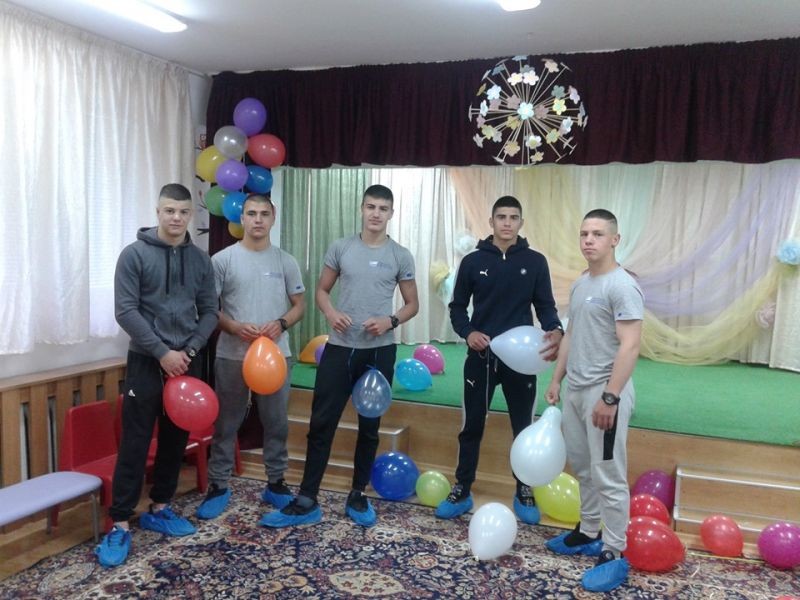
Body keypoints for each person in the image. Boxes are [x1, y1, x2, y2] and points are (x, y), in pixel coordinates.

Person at [260, 184, 419, 528]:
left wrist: (390, 321)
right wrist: (331, 313)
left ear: (391, 214)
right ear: (362, 209)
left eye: (383, 208)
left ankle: (357, 494)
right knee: (321, 423)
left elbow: (412, 304)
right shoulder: (341, 247)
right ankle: (307, 499)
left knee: (370, 428)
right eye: (371, 207)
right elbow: (321, 290)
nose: (376, 213)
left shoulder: (400, 255)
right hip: (339, 349)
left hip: (379, 353)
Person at [96, 183, 219, 568]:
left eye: (182, 212)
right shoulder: (133, 255)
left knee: (175, 440)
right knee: (135, 442)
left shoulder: (200, 261)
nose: (176, 218)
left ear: (190, 215)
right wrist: (163, 353)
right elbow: (125, 311)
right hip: (147, 361)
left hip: (186, 361)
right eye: (169, 210)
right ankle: (119, 522)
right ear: (158, 211)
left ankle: (161, 506)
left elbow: (210, 311)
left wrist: (189, 352)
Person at [436, 195, 563, 524]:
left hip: (522, 360)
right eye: (501, 217)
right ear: (491, 222)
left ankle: (524, 488)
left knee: (523, 426)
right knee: (472, 425)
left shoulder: (535, 262)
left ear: (521, 223)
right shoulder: (472, 262)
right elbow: (457, 307)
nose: (507, 223)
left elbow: (545, 306)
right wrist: (468, 333)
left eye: (513, 217)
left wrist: (555, 328)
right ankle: (462, 488)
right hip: (481, 357)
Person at [543, 209, 643, 593]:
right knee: (584, 468)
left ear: (615, 240)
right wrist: (557, 379)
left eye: (598, 234)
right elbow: (571, 335)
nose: (589, 240)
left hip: (605, 392)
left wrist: (610, 397)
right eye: (584, 233)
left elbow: (630, 345)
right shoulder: (582, 283)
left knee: (608, 474)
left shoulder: (622, 286)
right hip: (576, 391)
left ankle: (614, 550)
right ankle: (588, 531)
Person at [195, 193, 306, 520]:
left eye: (264, 214)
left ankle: (276, 482)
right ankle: (218, 485)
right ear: (241, 218)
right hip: (232, 355)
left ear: (273, 218)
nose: (258, 220)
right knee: (226, 422)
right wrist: (233, 326)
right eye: (252, 214)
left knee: (276, 422)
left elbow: (299, 305)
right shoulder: (222, 260)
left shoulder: (285, 261)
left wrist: (281, 323)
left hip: (276, 357)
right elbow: (209, 308)